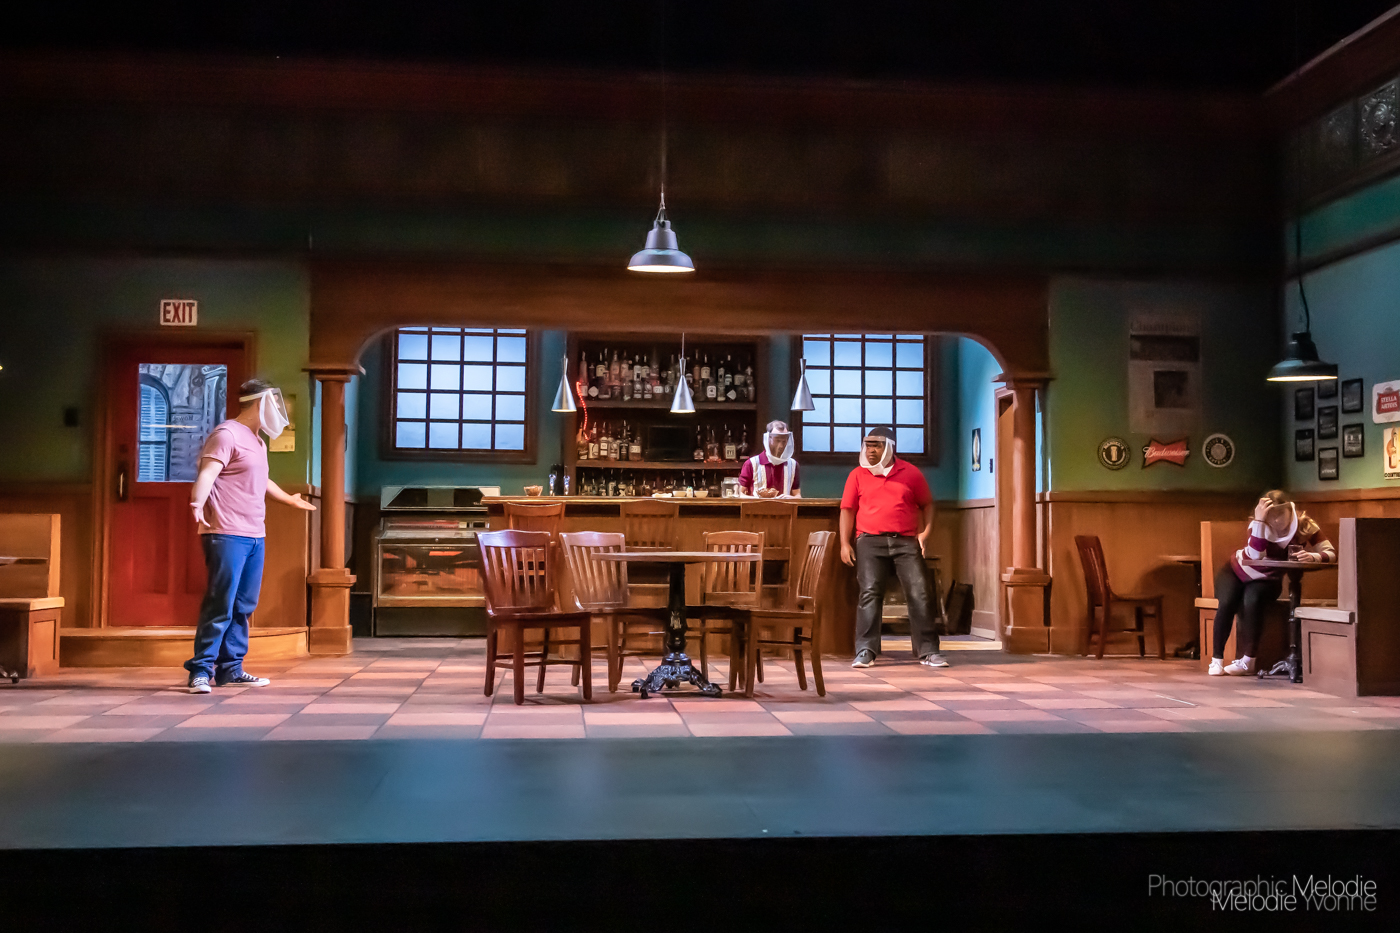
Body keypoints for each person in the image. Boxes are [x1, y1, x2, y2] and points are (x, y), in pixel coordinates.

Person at [185, 379, 316, 694]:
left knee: (243, 604)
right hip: (226, 533)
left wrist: (288, 499)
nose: (279, 410)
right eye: (275, 403)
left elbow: (262, 478)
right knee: (221, 603)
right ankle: (200, 671)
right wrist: (197, 502)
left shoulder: (257, 441)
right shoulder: (226, 434)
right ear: (261, 403)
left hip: (255, 534)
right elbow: (208, 472)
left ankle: (231, 669)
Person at [839, 427, 947, 669]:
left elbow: (928, 505)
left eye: (876, 445)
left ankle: (928, 651)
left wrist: (925, 535)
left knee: (919, 593)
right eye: (867, 445)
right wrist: (844, 543)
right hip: (869, 541)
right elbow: (847, 510)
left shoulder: (911, 473)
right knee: (869, 593)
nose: (870, 450)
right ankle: (866, 651)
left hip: (905, 541)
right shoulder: (857, 474)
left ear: (890, 447)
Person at [1209, 490, 1334, 676]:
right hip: (1236, 571)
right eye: (1271, 515)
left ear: (1290, 510)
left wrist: (1313, 556)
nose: (1276, 520)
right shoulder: (1257, 524)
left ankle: (1248, 661)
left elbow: (1330, 552)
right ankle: (1216, 660)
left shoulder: (1304, 524)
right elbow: (1255, 555)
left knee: (1252, 600)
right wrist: (1260, 521)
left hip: (1268, 579)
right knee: (1227, 602)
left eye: (1280, 514)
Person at [738, 420, 801, 498]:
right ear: (768, 439)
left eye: (784, 441)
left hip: (784, 506)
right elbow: (740, 495)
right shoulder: (751, 463)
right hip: (757, 506)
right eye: (777, 440)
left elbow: (798, 495)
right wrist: (758, 500)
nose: (781, 446)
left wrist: (790, 498)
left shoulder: (793, 465)